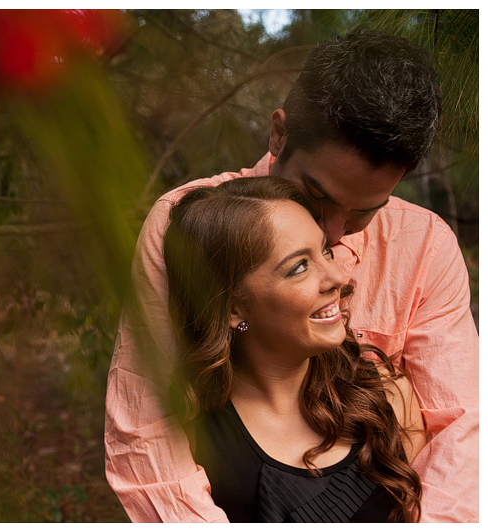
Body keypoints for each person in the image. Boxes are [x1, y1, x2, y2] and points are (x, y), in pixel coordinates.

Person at [104, 31, 478, 522]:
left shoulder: (426, 244)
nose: (334, 233)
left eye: (364, 212)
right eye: (315, 196)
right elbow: (146, 428)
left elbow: (462, 428)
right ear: (279, 133)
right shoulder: (185, 222)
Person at [163, 176, 425, 522]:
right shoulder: (192, 435)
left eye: (325, 251)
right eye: (299, 266)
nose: (336, 278)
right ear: (231, 309)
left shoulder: (387, 394)